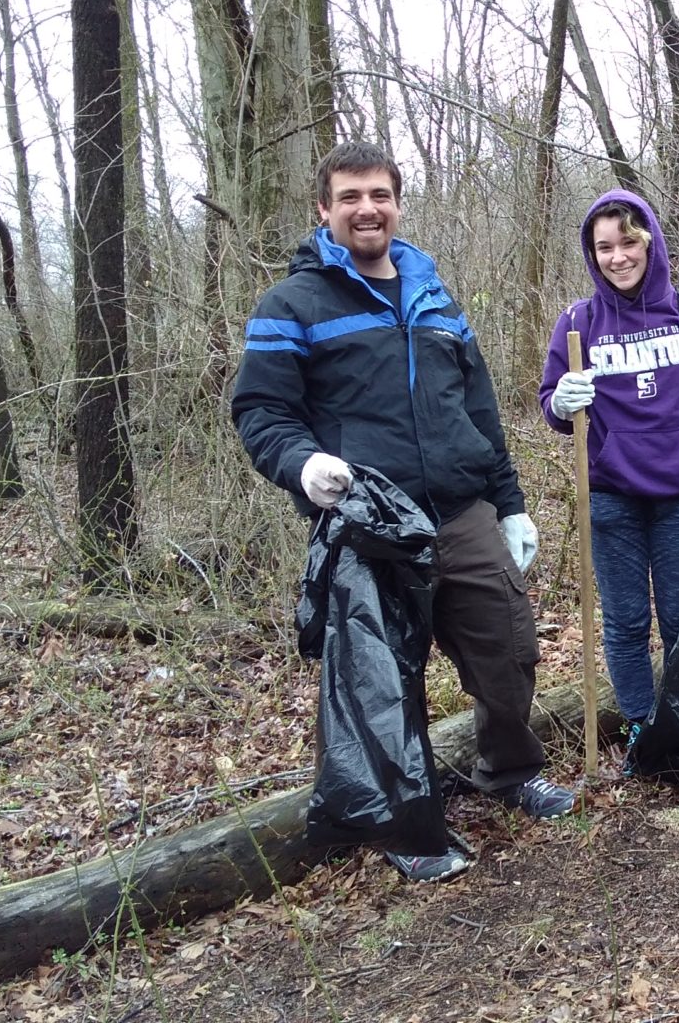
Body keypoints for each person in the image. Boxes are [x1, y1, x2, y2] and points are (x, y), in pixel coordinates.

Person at [232, 141, 576, 883]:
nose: (367, 208)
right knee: (385, 680)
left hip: (461, 512)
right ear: (323, 209)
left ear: (397, 203)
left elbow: (478, 410)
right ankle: (405, 819)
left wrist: (510, 506)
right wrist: (304, 464)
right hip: (370, 530)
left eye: (379, 194)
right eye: (350, 196)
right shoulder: (292, 304)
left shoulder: (434, 296)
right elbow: (261, 411)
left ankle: (510, 772)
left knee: (510, 650)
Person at [539, 190, 679, 763]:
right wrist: (563, 402)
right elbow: (551, 407)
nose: (617, 256)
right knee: (625, 622)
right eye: (604, 247)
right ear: (591, 254)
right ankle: (640, 725)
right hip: (611, 497)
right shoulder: (578, 323)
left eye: (628, 241)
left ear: (650, 243)